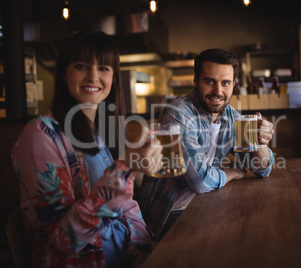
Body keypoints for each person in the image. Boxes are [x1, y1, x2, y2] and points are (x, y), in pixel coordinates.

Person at [11, 31, 162, 268]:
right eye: (81, 66)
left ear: (113, 77)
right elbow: (66, 239)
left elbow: (126, 205)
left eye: (103, 68)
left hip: (124, 256)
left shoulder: (99, 130)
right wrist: (124, 168)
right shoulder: (40, 134)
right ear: (64, 73)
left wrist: (143, 248)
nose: (93, 77)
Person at [137, 48, 275, 240]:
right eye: (209, 81)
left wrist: (260, 143)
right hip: (167, 214)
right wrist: (233, 173)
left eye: (225, 83)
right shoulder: (178, 113)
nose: (218, 91)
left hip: (205, 202)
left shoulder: (232, 117)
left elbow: (262, 170)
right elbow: (201, 181)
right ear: (196, 81)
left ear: (233, 85)